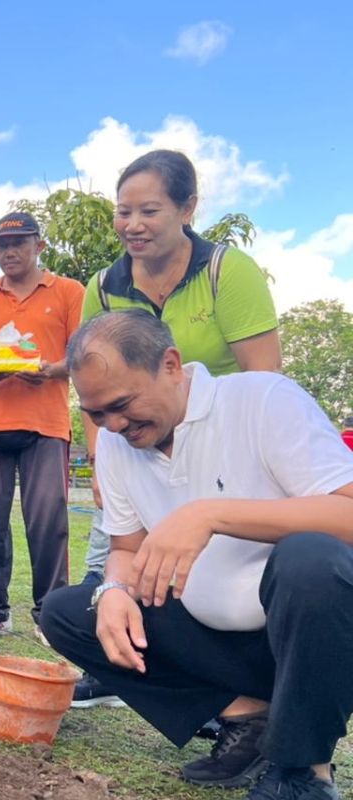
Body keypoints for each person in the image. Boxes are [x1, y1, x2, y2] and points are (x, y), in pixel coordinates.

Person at [41, 310, 353, 800]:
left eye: (122, 405)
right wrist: (115, 589)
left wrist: (212, 514)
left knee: (310, 559)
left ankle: (304, 771)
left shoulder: (263, 400)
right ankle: (247, 718)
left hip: (310, 640)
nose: (114, 425)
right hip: (213, 641)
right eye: (96, 413)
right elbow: (125, 547)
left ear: (170, 365)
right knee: (68, 612)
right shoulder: (119, 446)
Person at [73, 149, 281, 709]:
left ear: (188, 208)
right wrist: (102, 457)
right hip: (144, 447)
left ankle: (272, 687)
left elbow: (266, 380)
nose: (133, 225)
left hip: (225, 443)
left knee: (240, 563)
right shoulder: (104, 286)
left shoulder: (226, 272)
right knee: (116, 563)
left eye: (149, 210)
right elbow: (96, 383)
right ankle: (222, 703)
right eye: (123, 212)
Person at [0, 212, 84, 641]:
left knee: (47, 520)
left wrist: (51, 370)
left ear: (39, 246)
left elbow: (83, 355)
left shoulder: (68, 292)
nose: (9, 252)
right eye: (2, 246)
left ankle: (50, 613)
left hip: (46, 423)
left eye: (19, 243)